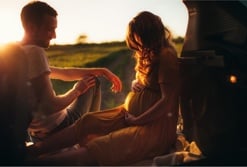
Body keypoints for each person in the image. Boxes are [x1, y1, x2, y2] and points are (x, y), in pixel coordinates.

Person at [28, 11, 180, 166]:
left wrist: (138, 120)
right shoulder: (149, 54)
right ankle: (33, 151)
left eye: (138, 40)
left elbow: (167, 100)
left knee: (104, 146)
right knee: (88, 121)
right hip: (129, 115)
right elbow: (150, 82)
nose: (137, 47)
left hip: (151, 127)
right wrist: (136, 82)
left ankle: (35, 162)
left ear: (148, 35)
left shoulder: (166, 56)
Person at [19, 1, 122, 142]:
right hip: (59, 127)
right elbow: (50, 106)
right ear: (31, 28)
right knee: (94, 82)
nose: (54, 35)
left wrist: (102, 70)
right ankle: (90, 137)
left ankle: (87, 134)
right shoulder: (35, 52)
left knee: (92, 77)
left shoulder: (16, 54)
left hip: (36, 133)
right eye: (49, 29)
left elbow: (63, 73)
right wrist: (77, 90)